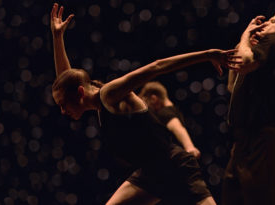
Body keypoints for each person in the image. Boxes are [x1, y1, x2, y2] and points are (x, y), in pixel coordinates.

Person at [50, 3, 241, 205]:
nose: (63, 111)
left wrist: (208, 54)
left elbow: (156, 67)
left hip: (174, 167)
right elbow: (66, 80)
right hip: (150, 174)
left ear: (80, 93)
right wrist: (57, 38)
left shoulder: (110, 94)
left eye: (63, 105)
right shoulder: (97, 101)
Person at [222, 8, 275, 205]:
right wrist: (244, 44)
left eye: (274, 21)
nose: (266, 24)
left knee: (251, 198)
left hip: (259, 137)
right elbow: (232, 86)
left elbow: (244, 62)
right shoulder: (270, 52)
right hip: (247, 137)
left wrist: (245, 34)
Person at [139, 81, 201, 158]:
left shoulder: (164, 113)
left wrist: (189, 147)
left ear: (153, 99)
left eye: (147, 102)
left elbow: (177, 128)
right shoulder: (175, 110)